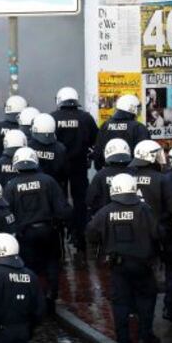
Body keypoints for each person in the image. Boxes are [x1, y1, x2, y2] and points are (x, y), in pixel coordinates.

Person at [86, 173, 161, 343]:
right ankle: (145, 336)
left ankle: (124, 341)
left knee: (120, 303)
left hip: (118, 266)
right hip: (143, 265)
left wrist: (99, 251)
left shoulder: (105, 212)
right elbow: (158, 234)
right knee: (146, 300)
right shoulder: (144, 210)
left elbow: (91, 232)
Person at [3, 147, 71, 310]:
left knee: (28, 267)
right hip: (48, 230)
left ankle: (33, 299)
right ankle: (50, 295)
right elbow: (62, 209)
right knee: (52, 263)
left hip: (25, 234)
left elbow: (7, 212)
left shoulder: (11, 185)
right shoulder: (48, 181)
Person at [51, 87, 98, 252]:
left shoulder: (52, 117)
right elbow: (95, 141)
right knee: (81, 202)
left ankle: (61, 236)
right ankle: (80, 236)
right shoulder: (86, 118)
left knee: (59, 200)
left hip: (58, 167)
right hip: (79, 166)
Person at [91, 94, 149, 169]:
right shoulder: (138, 127)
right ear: (132, 108)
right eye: (137, 108)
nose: (138, 112)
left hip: (108, 170)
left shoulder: (105, 126)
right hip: (132, 172)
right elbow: (145, 152)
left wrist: (101, 171)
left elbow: (98, 151)